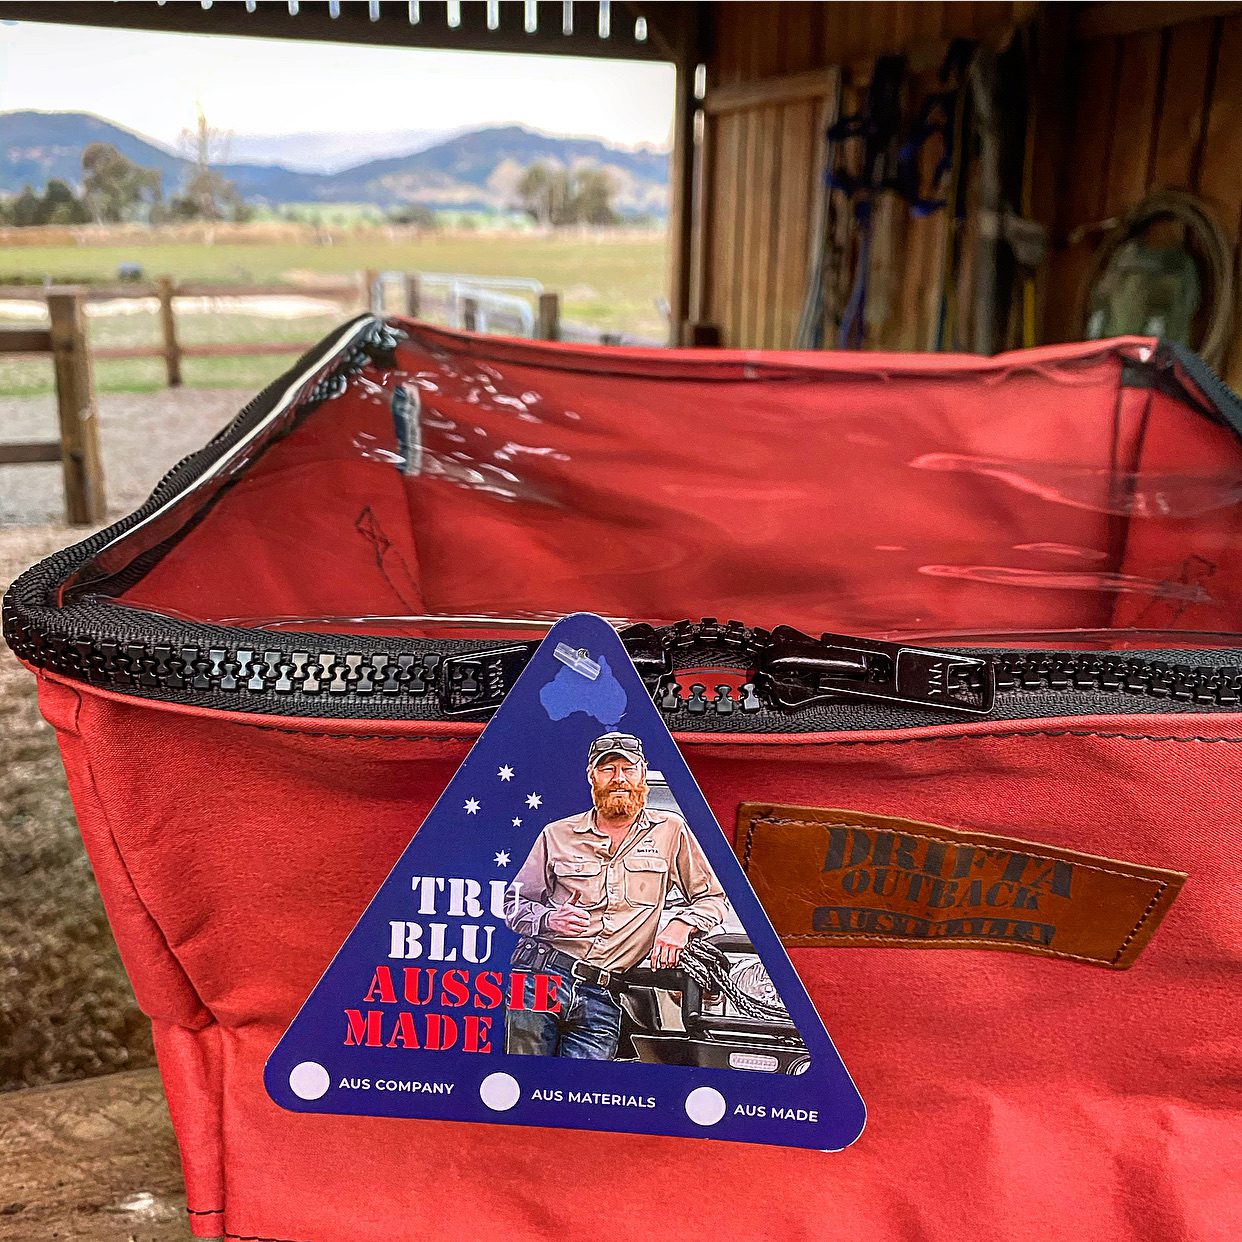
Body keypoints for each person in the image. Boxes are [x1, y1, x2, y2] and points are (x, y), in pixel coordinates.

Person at [504, 731, 728, 1059]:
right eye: (607, 769)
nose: (618, 778)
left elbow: (713, 898)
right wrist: (549, 919)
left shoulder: (671, 830)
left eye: (628, 768)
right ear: (591, 776)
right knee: (522, 1080)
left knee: (583, 1088)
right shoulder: (557, 833)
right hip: (541, 978)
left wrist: (682, 924)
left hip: (605, 993)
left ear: (643, 772)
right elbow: (513, 904)